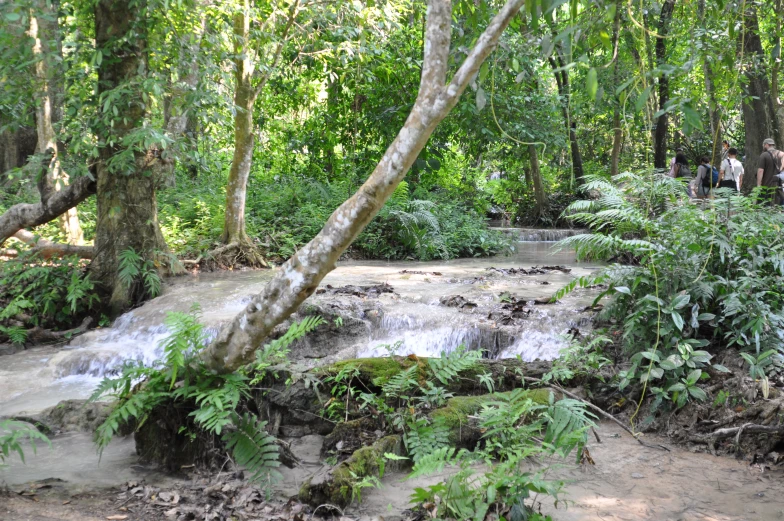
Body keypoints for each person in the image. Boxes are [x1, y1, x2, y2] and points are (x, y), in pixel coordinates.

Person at [757, 138, 784, 204]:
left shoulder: (764, 155)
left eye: (763, 145)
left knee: (765, 205)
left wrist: (758, 185)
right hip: (779, 184)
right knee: (780, 205)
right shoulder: (782, 154)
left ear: (766, 145)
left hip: (767, 185)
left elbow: (760, 171)